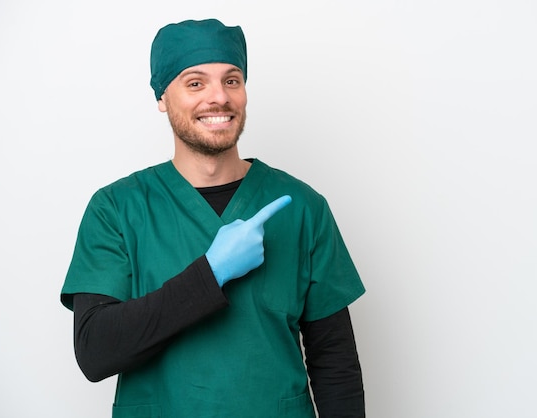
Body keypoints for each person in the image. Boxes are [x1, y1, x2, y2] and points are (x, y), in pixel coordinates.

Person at [61, 18, 366, 418]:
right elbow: (95, 352)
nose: (218, 97)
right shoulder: (116, 210)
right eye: (195, 83)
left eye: (232, 80)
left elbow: (335, 361)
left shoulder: (303, 208)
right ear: (161, 97)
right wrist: (211, 273)